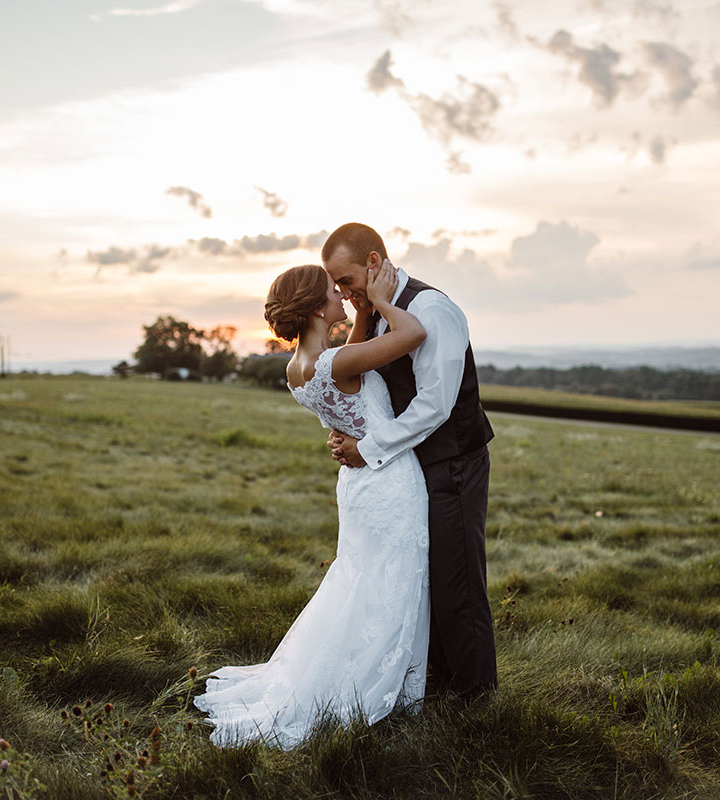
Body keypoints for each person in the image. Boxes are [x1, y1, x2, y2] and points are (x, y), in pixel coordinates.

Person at [194, 260, 432, 749]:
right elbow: (413, 332)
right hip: (388, 483)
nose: (343, 297)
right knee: (390, 582)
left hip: (357, 483)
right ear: (316, 307)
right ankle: (379, 689)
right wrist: (385, 303)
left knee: (363, 582)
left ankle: (362, 674)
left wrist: (362, 313)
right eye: (333, 291)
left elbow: (349, 360)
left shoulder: (297, 370)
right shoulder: (336, 364)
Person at [322, 222, 497, 699]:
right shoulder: (377, 312)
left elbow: (435, 405)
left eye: (347, 280)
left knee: (457, 578)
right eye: (335, 285)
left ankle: (477, 698)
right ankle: (437, 683)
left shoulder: (431, 309)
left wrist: (369, 448)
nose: (342, 292)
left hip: (453, 461)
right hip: (411, 463)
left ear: (374, 262)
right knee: (426, 575)